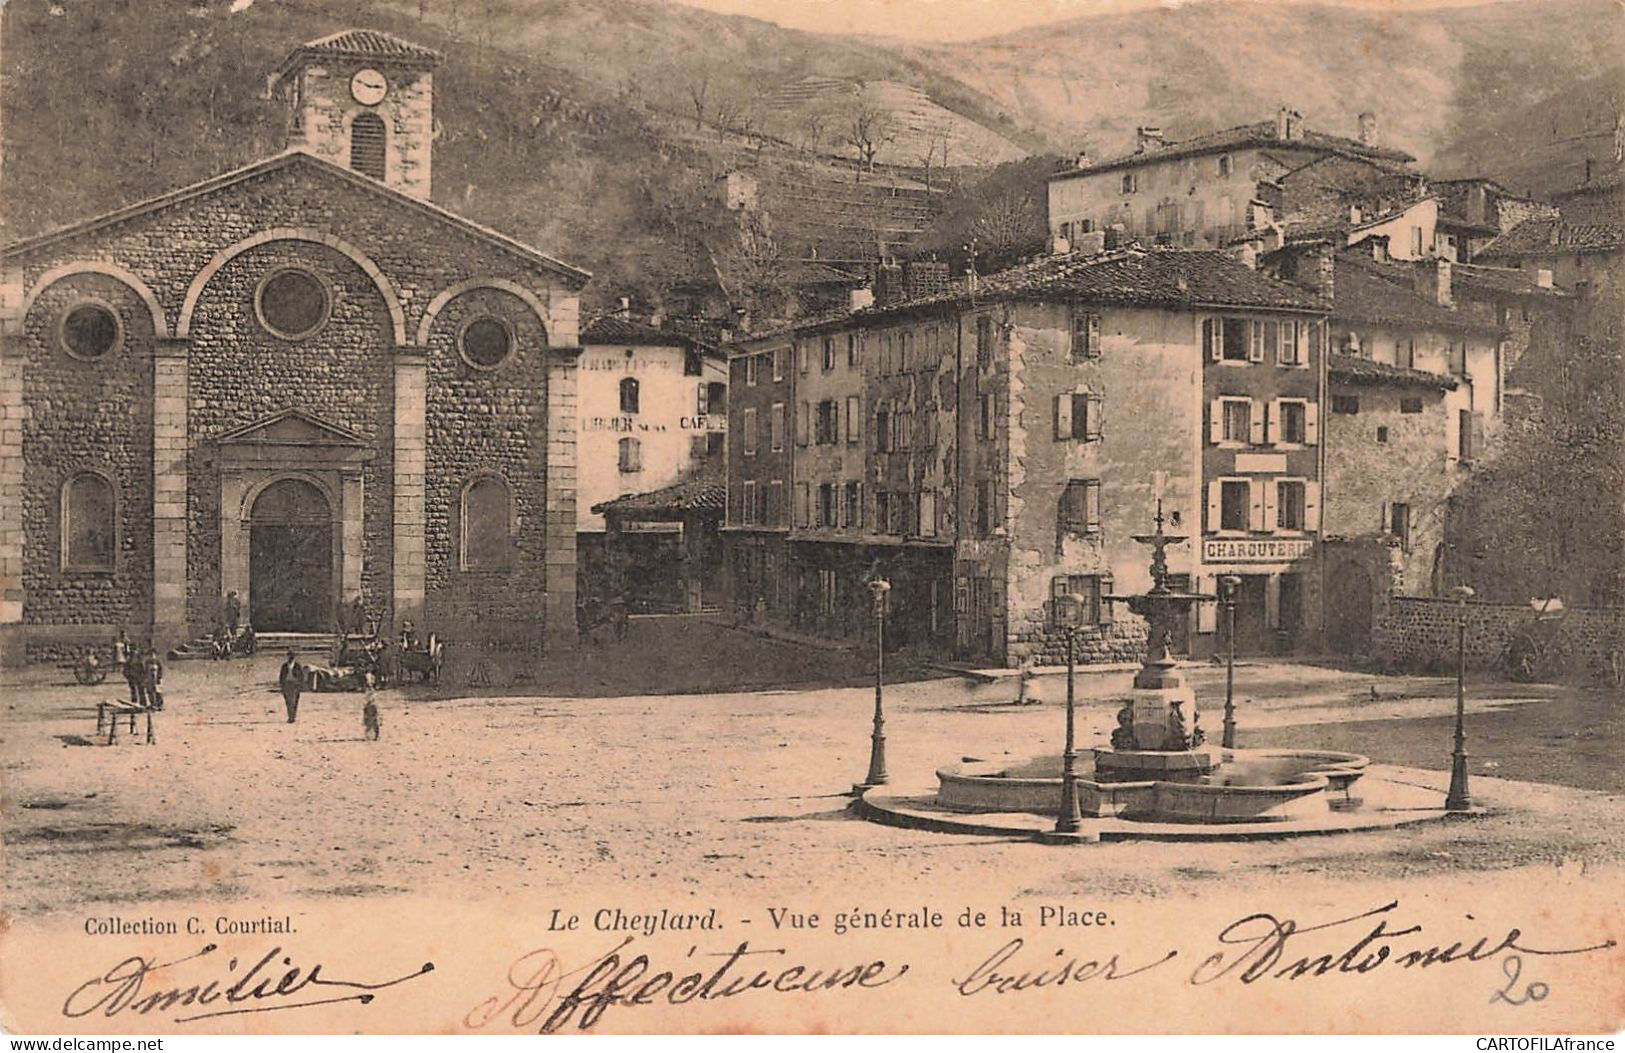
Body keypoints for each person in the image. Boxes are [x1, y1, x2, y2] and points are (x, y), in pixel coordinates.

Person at [279, 650, 305, 724]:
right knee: (288, 701)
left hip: (295, 685)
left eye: (292, 657)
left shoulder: (297, 666)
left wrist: (300, 685)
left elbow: (301, 677)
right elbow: (281, 677)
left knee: (294, 702)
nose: (290, 658)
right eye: (289, 656)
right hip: (287, 684)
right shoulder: (284, 666)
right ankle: (290, 716)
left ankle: (292, 717)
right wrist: (281, 686)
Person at [362, 672, 381, 741]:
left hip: (372, 705)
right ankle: (368, 735)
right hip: (369, 705)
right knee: (368, 721)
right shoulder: (368, 690)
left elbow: (372, 698)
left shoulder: (372, 690)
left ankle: (376, 735)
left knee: (375, 721)